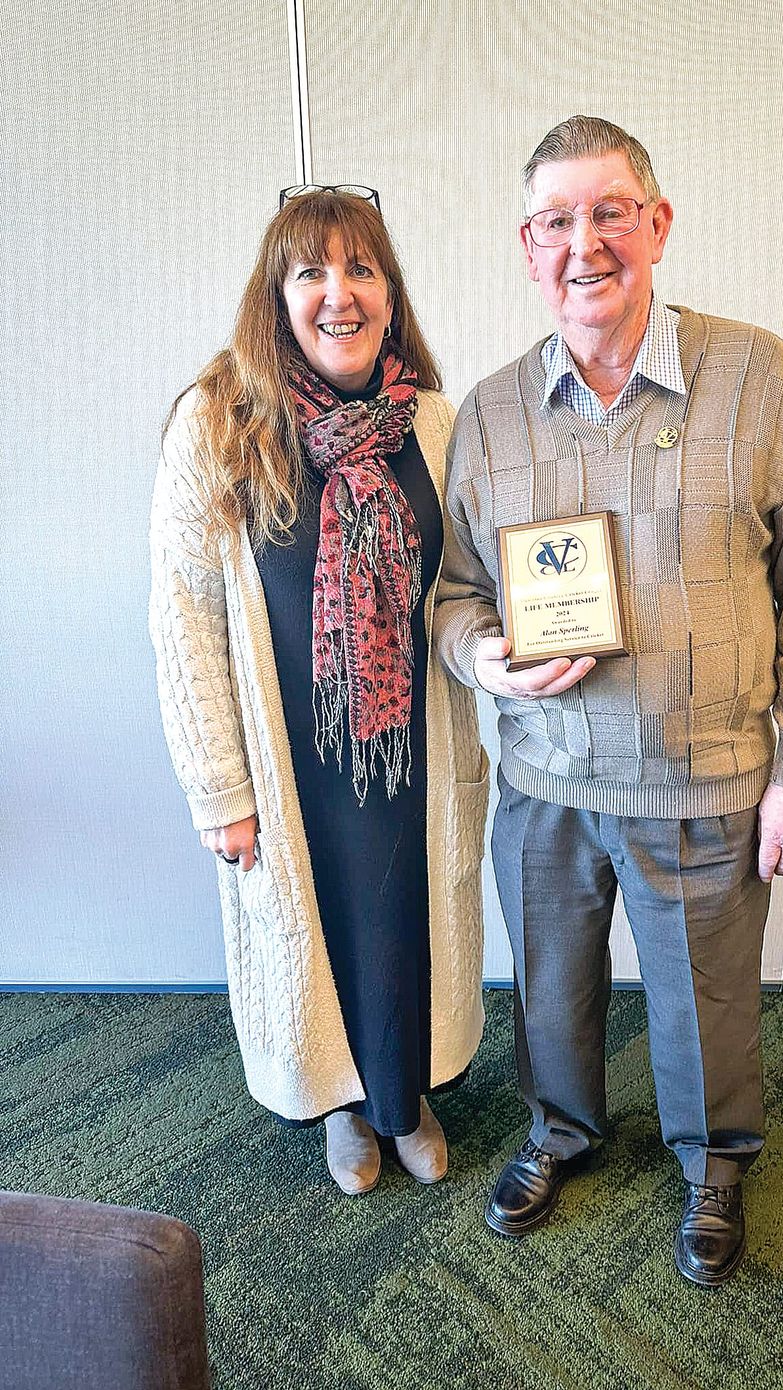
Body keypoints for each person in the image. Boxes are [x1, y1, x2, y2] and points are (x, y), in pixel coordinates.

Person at [435, 118, 783, 1284]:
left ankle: (714, 1162)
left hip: (705, 775)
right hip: (544, 780)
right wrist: (486, 660)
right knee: (551, 985)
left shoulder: (756, 376)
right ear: (529, 250)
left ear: (656, 225)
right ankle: (558, 1132)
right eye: (555, 222)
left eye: (609, 212)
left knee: (703, 1003)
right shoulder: (487, 413)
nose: (584, 243)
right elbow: (452, 595)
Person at [150, 186, 488, 1195]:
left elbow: (467, 582)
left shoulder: (429, 418)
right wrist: (220, 786)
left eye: (362, 270)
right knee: (315, 931)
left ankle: (403, 1095)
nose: (339, 295)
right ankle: (340, 1103)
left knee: (403, 921)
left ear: (389, 292)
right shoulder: (218, 423)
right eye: (312, 273)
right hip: (287, 759)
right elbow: (182, 615)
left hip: (411, 751)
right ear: (277, 294)